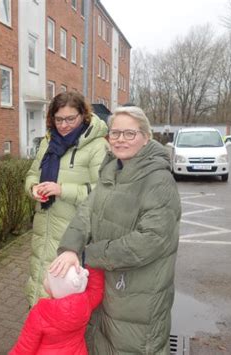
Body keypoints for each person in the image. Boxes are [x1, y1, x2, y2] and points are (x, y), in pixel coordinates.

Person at [49, 106, 181, 354]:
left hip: (138, 298)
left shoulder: (158, 180)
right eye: (115, 133)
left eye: (129, 133)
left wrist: (90, 254)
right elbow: (86, 212)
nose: (120, 139)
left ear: (146, 138)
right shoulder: (113, 169)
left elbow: (151, 241)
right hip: (108, 287)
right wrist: (69, 249)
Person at [24, 91, 108, 306]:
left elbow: (103, 193)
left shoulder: (97, 146)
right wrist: (33, 188)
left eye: (71, 119)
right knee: (39, 288)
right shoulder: (48, 142)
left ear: (84, 116)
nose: (63, 125)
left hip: (73, 236)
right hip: (44, 228)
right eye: (58, 119)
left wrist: (61, 190)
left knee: (65, 301)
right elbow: (33, 174)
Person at [9, 266, 105, 355]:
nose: (45, 280)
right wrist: (93, 263)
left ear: (57, 289)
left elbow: (25, 346)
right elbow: (96, 289)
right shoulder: (86, 303)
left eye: (48, 279)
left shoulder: (40, 313)